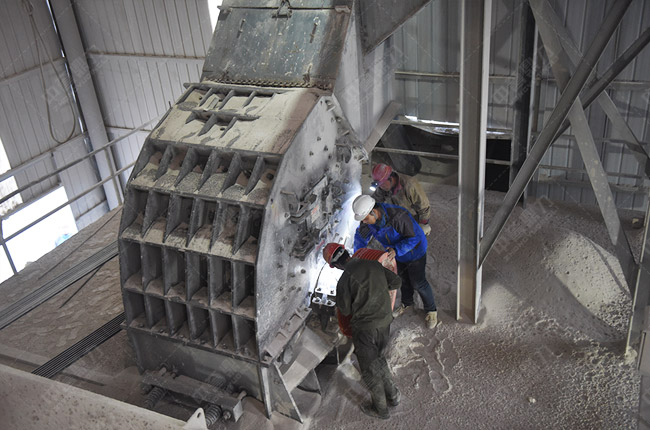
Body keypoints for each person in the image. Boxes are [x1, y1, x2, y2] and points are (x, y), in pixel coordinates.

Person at [322, 242, 402, 420]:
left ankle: (380, 409)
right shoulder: (374, 265)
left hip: (365, 330)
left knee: (369, 371)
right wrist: (377, 291)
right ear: (346, 252)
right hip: (385, 322)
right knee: (379, 359)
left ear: (335, 265)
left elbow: (345, 311)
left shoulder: (344, 282)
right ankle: (393, 395)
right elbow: (396, 282)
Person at [352, 194, 438, 328]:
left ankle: (431, 310)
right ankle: (407, 303)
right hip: (396, 253)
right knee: (402, 279)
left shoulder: (398, 216)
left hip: (415, 250)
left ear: (373, 212)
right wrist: (357, 256)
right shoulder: (368, 222)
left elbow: (413, 238)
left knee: (418, 282)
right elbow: (360, 237)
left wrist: (397, 250)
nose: (364, 222)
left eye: (365, 218)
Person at [370, 163, 432, 235]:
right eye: (379, 185)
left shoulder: (410, 185)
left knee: (415, 237)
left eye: (383, 185)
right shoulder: (383, 186)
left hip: (413, 219)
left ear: (391, 178)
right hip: (397, 218)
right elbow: (376, 200)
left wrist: (423, 224)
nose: (381, 187)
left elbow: (424, 207)